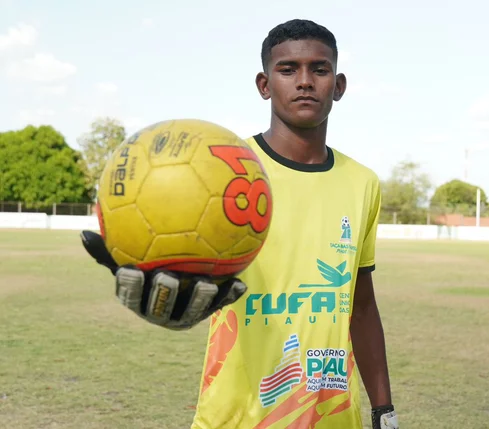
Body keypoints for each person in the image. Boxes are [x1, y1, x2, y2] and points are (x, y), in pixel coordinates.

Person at [81, 18, 398, 429]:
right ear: (264, 85)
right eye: (288, 69)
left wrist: (383, 408)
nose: (304, 81)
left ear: (338, 86)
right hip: (236, 416)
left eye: (319, 69)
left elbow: (362, 305)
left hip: (334, 417)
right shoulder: (223, 170)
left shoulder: (363, 183)